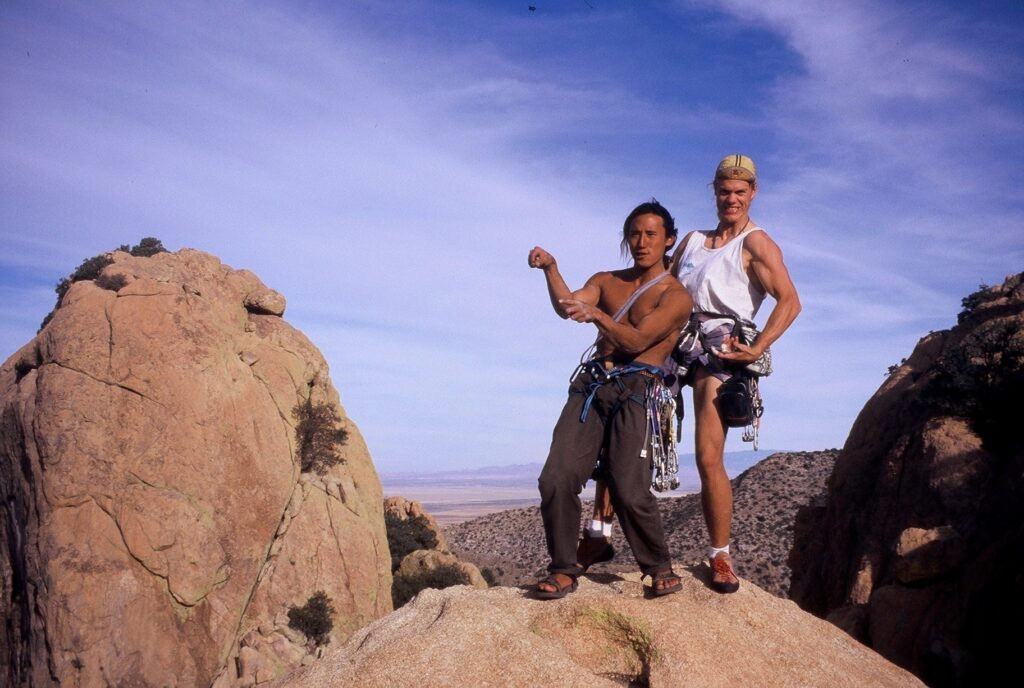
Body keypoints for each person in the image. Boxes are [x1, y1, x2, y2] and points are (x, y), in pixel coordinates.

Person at [578, 155, 801, 593]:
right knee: (621, 426)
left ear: (753, 193)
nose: (731, 199)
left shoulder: (757, 244)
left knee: (707, 454)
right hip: (674, 341)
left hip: (720, 351)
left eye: (740, 192)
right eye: (724, 191)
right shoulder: (694, 240)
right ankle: (599, 535)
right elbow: (657, 281)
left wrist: (758, 347)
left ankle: (720, 556)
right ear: (714, 192)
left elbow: (790, 300)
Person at [528, 200, 693, 599]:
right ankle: (565, 568)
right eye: (634, 234)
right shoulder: (607, 279)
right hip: (592, 388)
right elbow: (569, 306)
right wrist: (552, 269)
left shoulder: (676, 297)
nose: (641, 241)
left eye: (651, 234)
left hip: (639, 392)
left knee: (628, 487)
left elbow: (637, 340)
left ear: (668, 239)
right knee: (556, 477)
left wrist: (600, 317)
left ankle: (657, 566)